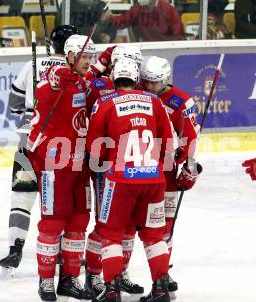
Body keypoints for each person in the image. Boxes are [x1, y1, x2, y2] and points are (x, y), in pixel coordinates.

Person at [86, 58, 175, 302]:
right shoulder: (155, 101)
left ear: (114, 78)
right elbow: (169, 141)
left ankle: (112, 289)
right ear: (136, 79)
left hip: (121, 180)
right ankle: (160, 289)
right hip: (154, 179)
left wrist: (100, 163)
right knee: (155, 236)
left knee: (111, 234)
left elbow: (95, 148)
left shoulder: (105, 102)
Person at [0, 25, 79, 274]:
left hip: (28, 140)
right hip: (60, 146)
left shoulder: (32, 65)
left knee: (21, 197)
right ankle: (61, 253)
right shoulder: (75, 73)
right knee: (59, 204)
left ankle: (14, 251)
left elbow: (13, 106)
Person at [27, 34, 96, 301]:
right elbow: (49, 83)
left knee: (79, 220)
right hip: (53, 161)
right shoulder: (55, 78)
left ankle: (69, 278)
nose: (87, 61)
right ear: (68, 55)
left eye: (90, 56)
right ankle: (46, 281)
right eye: (83, 56)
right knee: (53, 223)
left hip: (79, 161)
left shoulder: (82, 82)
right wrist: (58, 76)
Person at [84, 44, 147, 301]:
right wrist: (99, 63)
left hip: (135, 167)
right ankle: (94, 275)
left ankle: (119, 273)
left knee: (129, 226)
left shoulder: (140, 90)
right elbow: (81, 87)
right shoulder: (98, 86)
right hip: (105, 164)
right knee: (105, 224)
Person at [139, 56, 202, 298]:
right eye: (145, 81)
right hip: (137, 169)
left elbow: (189, 138)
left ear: (165, 79)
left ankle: (161, 275)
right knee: (127, 229)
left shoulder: (182, 101)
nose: (148, 87)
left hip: (165, 173)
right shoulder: (138, 92)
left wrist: (186, 163)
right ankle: (120, 277)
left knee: (164, 229)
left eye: (154, 83)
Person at [100, 0, 184, 42]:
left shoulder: (168, 10)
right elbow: (121, 21)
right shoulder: (137, 9)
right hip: (146, 49)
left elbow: (178, 36)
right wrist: (108, 17)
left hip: (166, 49)